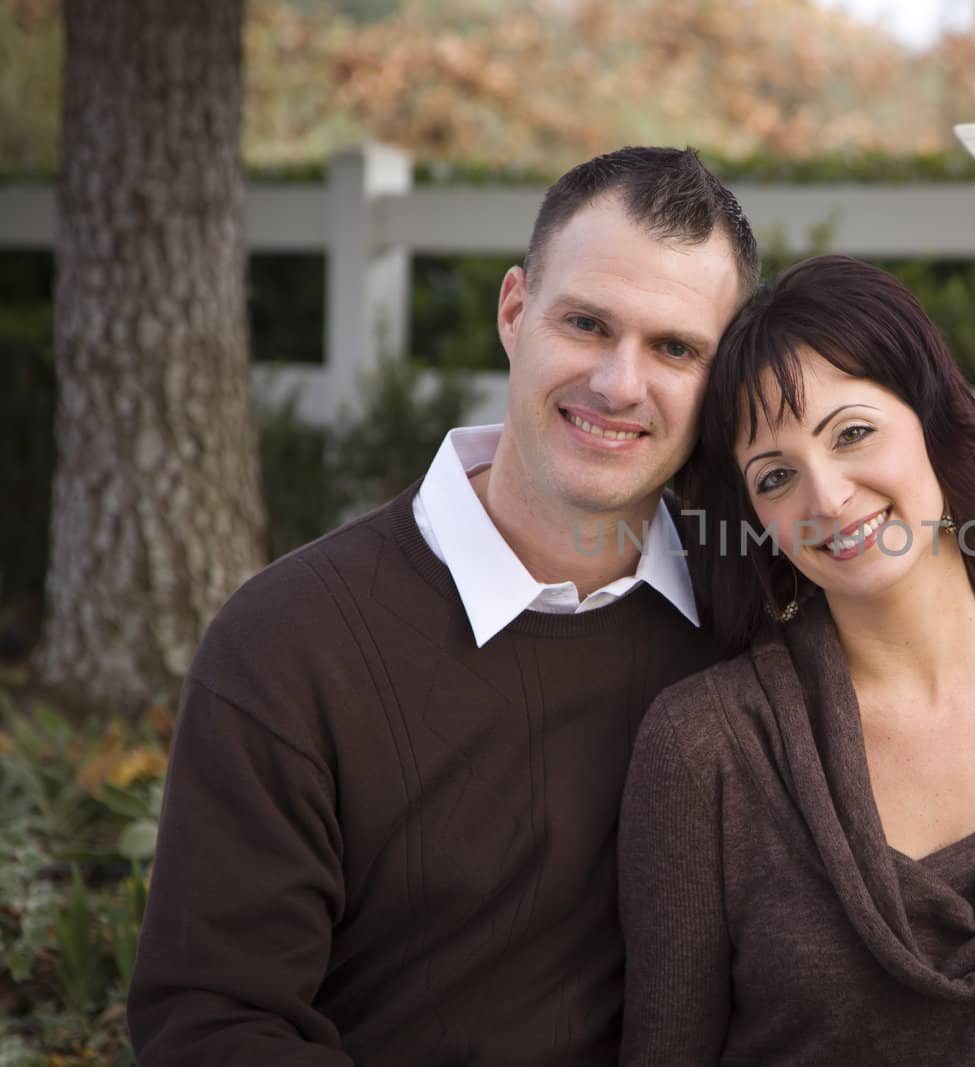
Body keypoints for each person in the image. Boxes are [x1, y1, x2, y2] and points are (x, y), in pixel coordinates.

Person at [127, 146, 760, 1066]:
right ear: (514, 310)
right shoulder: (289, 644)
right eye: (587, 323)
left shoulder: (749, 615)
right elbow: (214, 1022)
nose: (621, 384)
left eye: (675, 348)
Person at [618, 255, 975, 1066]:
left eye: (852, 433)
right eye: (776, 475)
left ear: (934, 417)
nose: (826, 497)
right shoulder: (702, 743)